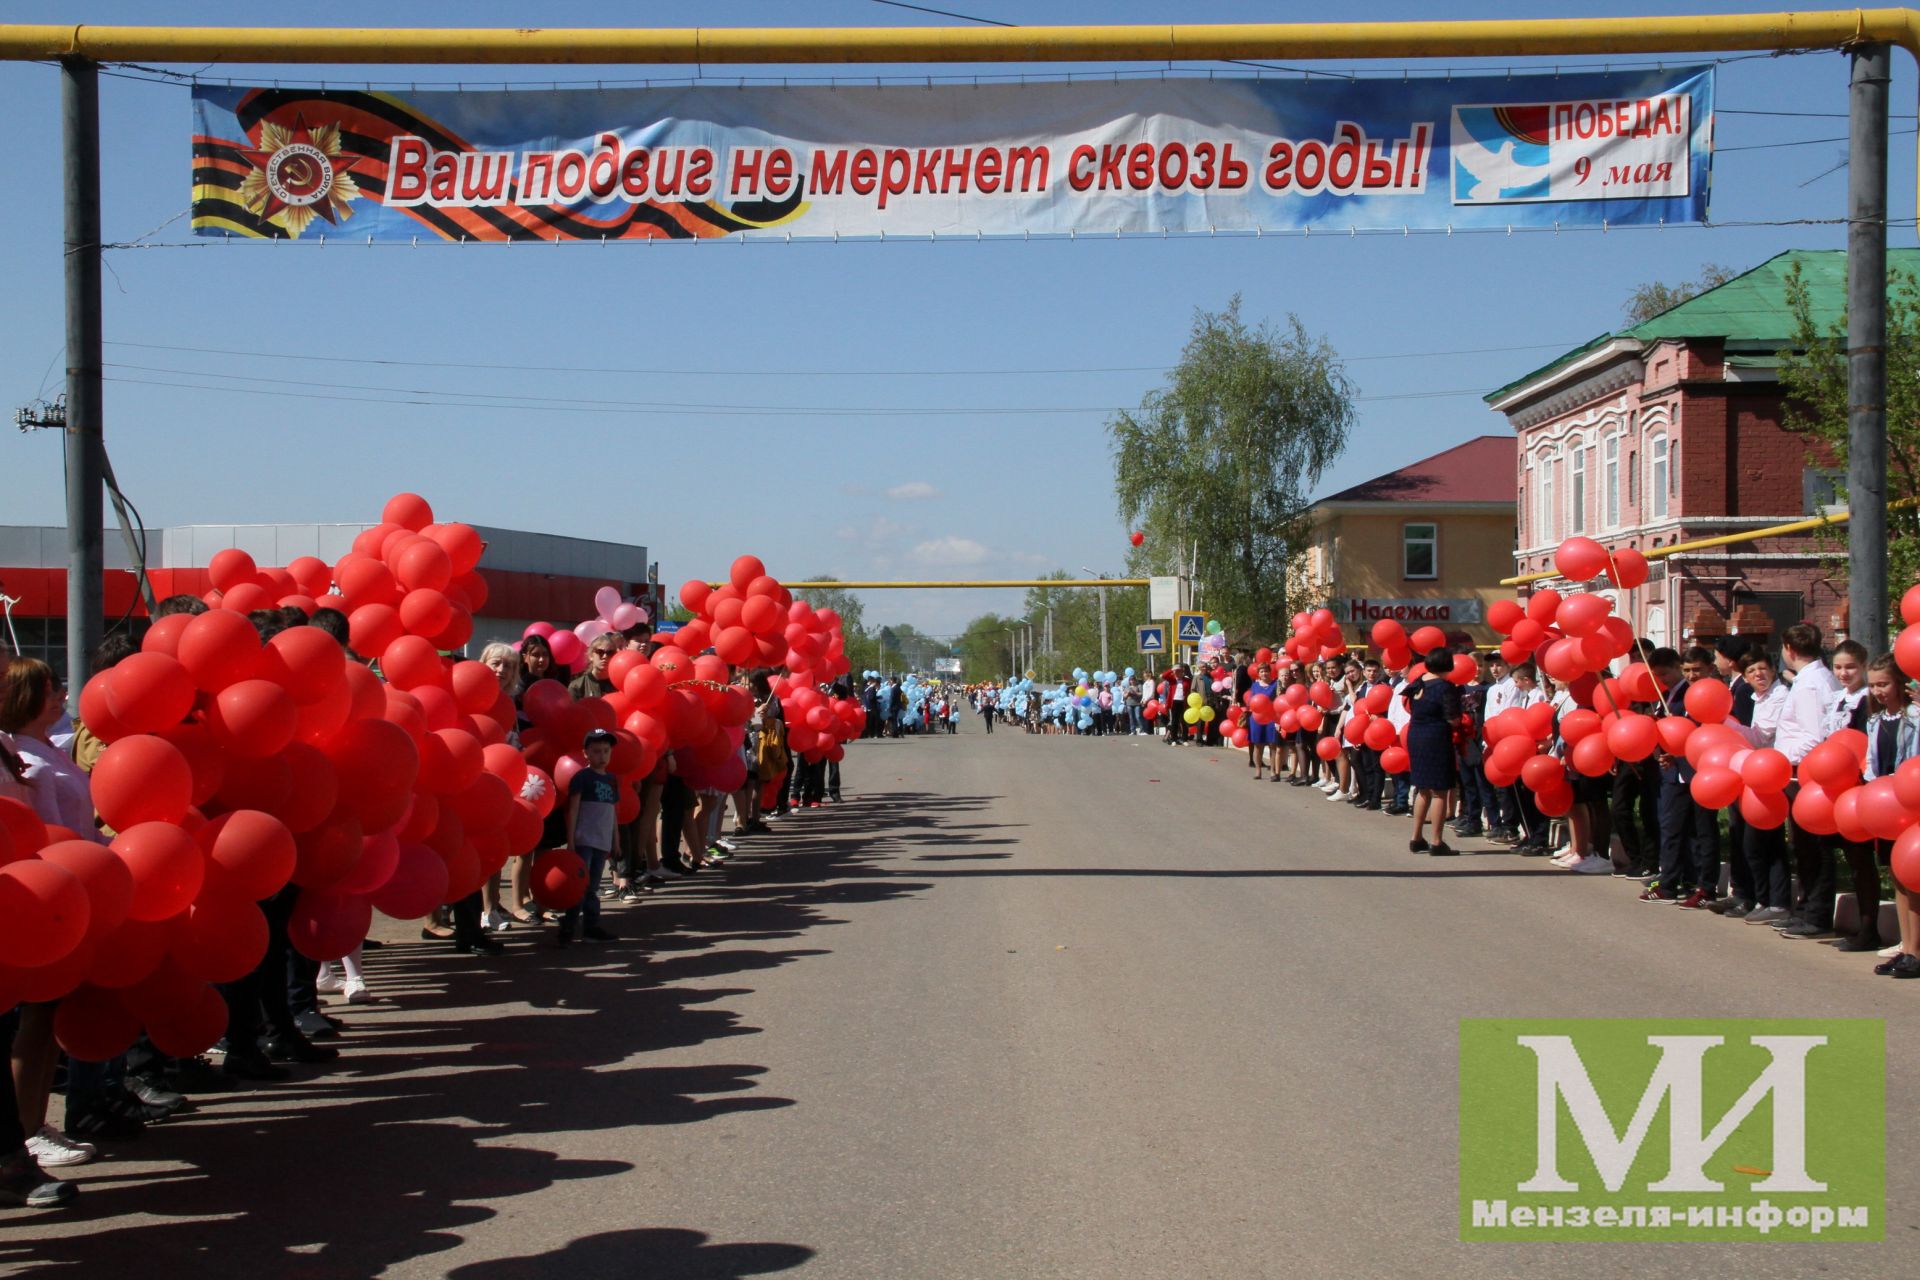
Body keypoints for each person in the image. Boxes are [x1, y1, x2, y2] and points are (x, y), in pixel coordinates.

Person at [1774, 623, 1843, 939]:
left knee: (1814, 847)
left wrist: (1782, 756)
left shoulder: (1812, 684)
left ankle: (1816, 914)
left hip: (1805, 773)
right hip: (1799, 773)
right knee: (1803, 846)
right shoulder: (1810, 679)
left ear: (1789, 648)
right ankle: (1806, 909)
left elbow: (1814, 737)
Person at [1864, 654, 1920, 976]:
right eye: (1873, 686)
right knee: (1898, 877)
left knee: (1914, 878)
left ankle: (1916, 951)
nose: (1878, 691)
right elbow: (1873, 764)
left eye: (1883, 683)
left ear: (1900, 682)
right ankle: (1906, 946)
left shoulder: (1914, 717)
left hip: (1912, 804)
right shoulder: (1875, 721)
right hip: (1889, 808)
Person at [1824, 640, 1880, 952]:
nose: (1844, 673)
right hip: (1836, 788)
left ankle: (1869, 928)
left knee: (1862, 861)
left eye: (1850, 667)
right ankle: (1863, 925)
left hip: (1859, 786)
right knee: (1852, 858)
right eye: (1839, 667)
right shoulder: (1836, 700)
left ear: (1863, 667)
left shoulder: (1866, 700)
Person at [558, 729, 620, 947]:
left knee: (592, 887)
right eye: (596, 752)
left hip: (602, 840)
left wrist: (616, 840)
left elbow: (612, 811)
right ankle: (568, 926)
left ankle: (591, 927)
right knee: (579, 885)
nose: (601, 756)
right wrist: (572, 839)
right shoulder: (582, 778)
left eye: (606, 751)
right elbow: (573, 809)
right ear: (586, 753)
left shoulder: (612, 779)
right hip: (584, 839)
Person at [1403, 649, 1462, 855]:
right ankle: (1437, 841)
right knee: (1440, 791)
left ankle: (1416, 837)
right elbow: (1453, 718)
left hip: (1416, 734)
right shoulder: (1445, 687)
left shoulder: (1418, 682)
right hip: (1436, 737)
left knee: (1422, 788)